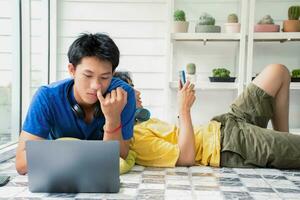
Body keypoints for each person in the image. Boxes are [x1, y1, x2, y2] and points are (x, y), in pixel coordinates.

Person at [114, 64, 300, 169]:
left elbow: (179, 135)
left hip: (225, 123)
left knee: (279, 72)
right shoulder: (135, 137)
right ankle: (287, 149)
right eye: (130, 89)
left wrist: (183, 110)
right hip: (227, 145)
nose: (137, 92)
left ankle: (284, 143)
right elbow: (186, 158)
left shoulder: (143, 121)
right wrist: (184, 109)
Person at [15, 33, 136, 175]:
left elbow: (120, 158)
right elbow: (22, 164)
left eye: (104, 77)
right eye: (88, 75)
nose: (96, 85)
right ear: (72, 70)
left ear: (113, 73)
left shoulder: (122, 95)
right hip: (59, 167)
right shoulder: (47, 97)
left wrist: (112, 119)